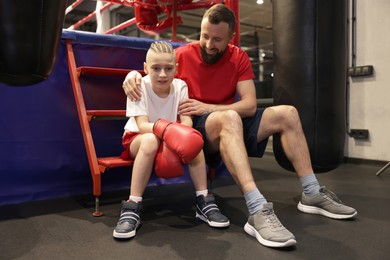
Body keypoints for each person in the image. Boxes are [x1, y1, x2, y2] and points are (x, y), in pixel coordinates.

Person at [122, 4, 357, 248]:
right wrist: (133, 75)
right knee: (230, 118)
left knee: (288, 114)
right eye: (204, 36)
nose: (208, 44)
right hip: (200, 128)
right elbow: (156, 72)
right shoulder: (182, 56)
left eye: (217, 39)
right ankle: (257, 208)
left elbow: (249, 106)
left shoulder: (239, 56)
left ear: (231, 38)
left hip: (223, 116)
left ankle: (311, 191)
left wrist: (209, 107)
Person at [113, 41, 230, 240]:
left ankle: (203, 199)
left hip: (170, 136)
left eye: (168, 68)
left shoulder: (180, 86)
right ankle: (132, 205)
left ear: (176, 68)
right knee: (150, 140)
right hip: (138, 138)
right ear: (145, 68)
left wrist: (177, 137)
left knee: (195, 141)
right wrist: (168, 131)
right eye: (156, 68)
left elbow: (186, 122)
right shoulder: (138, 85)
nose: (162, 74)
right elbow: (142, 126)